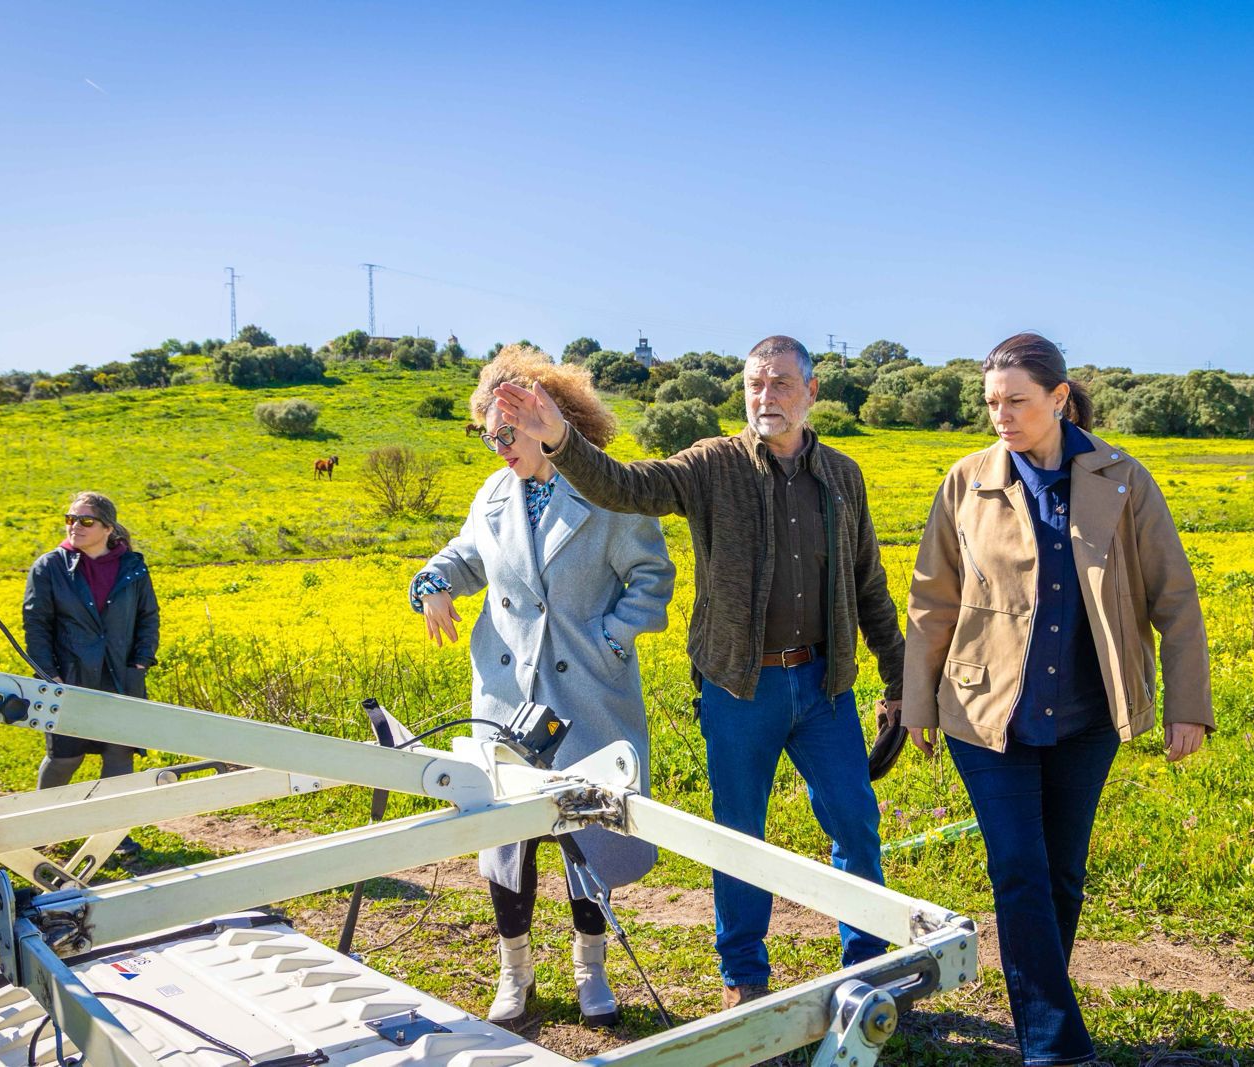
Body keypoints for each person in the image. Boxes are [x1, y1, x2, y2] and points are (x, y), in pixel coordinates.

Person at [494, 335, 905, 1008]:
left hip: (825, 688)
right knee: (738, 837)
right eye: (754, 384)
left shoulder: (843, 476)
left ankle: (867, 972)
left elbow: (869, 585)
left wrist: (899, 681)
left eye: (780, 383)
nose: (765, 396)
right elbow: (627, 487)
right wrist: (562, 440)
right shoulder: (714, 464)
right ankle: (744, 979)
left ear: (812, 391)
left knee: (855, 825)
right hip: (740, 687)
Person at [902, 332, 1213, 1067]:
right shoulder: (965, 481)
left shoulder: (1123, 478)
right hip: (985, 712)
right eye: (991, 403)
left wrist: (1187, 703)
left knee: (1063, 874)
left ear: (1059, 398)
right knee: (1019, 869)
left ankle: (1042, 1003)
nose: (1001, 416)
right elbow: (932, 599)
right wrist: (917, 703)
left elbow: (1174, 595)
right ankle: (1053, 1044)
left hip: (1087, 715)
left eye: (1016, 401)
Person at [411, 345, 674, 1027]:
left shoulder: (608, 489)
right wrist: (433, 582)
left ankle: (592, 967)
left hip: (587, 692)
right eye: (489, 436)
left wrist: (611, 638)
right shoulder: (493, 493)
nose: (499, 448)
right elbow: (466, 556)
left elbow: (652, 576)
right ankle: (515, 970)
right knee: (508, 840)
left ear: (546, 418)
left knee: (589, 833)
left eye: (509, 432)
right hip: (506, 697)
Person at [23, 492, 159, 856]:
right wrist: (49, 674)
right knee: (64, 756)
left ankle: (112, 835)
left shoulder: (133, 566)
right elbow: (36, 625)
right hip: (69, 677)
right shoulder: (49, 567)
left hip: (121, 675)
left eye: (85, 521)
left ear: (107, 528)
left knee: (119, 755)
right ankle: (37, 829)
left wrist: (141, 662)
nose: (75, 526)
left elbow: (148, 617)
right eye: (70, 519)